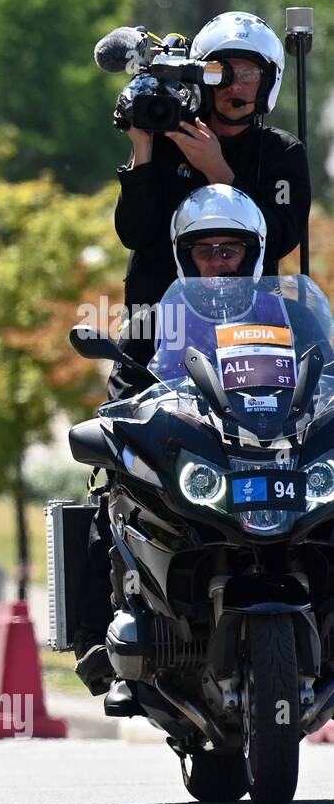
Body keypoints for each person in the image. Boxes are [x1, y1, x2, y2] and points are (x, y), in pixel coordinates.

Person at [74, 185, 269, 695]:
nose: (219, 263)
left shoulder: (281, 313)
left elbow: (322, 369)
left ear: (253, 253)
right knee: (110, 498)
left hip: (272, 456)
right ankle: (99, 644)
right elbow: (121, 394)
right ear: (185, 256)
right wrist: (126, 419)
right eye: (206, 251)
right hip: (193, 455)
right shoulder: (156, 318)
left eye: (231, 250)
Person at [109, 10, 309, 401]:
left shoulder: (282, 152)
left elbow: (282, 237)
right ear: (200, 76)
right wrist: (143, 146)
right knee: (125, 446)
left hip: (250, 335)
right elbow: (134, 233)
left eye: (249, 73)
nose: (234, 85)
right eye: (221, 72)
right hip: (156, 331)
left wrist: (217, 169)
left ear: (269, 81)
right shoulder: (167, 137)